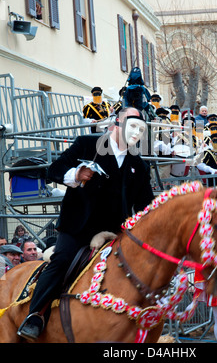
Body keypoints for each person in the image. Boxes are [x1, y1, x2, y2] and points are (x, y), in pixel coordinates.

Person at [17, 107, 154, 340]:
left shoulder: (138, 164)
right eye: (132, 124)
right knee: (61, 261)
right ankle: (35, 316)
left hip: (115, 233)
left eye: (141, 128)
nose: (136, 132)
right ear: (116, 124)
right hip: (78, 227)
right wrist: (76, 174)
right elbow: (54, 170)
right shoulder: (86, 144)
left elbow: (146, 206)